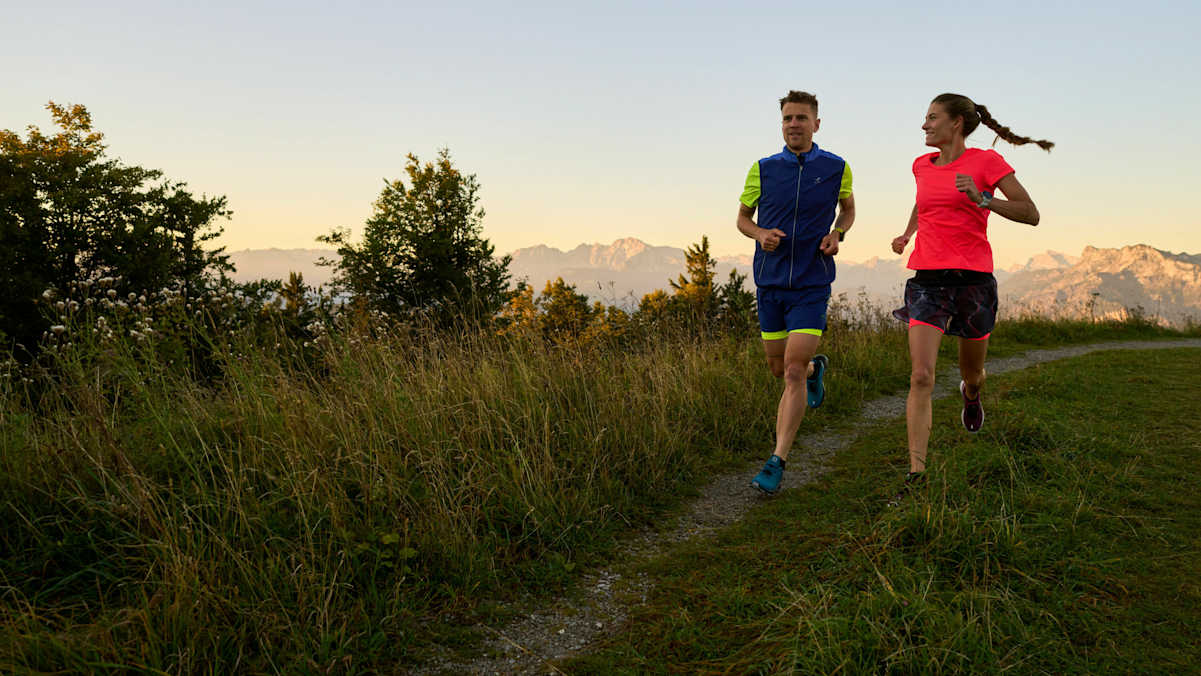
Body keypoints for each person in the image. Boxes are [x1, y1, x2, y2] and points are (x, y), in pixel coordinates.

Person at [889, 93, 1053, 503]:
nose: (924, 125)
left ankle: (971, 393)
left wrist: (983, 199)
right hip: (927, 279)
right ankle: (917, 475)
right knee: (921, 375)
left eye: (931, 118)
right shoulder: (920, 166)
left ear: (957, 123)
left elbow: (1030, 212)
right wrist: (908, 233)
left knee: (973, 372)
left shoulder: (986, 163)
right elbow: (923, 202)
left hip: (973, 282)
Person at [739, 90, 855, 495]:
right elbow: (741, 218)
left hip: (812, 283)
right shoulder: (763, 169)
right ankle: (813, 371)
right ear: (781, 123)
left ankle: (777, 459)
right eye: (788, 118)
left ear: (816, 124)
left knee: (789, 372)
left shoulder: (837, 167)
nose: (794, 124)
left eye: (801, 118)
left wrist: (837, 233)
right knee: (780, 369)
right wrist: (759, 234)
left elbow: (849, 209)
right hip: (770, 284)